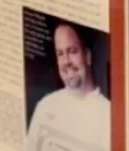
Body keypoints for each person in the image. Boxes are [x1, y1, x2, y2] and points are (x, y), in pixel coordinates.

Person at [25, 23, 110, 151]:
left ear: (87, 56)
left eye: (72, 51)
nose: (66, 61)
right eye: (60, 54)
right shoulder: (45, 105)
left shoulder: (108, 115)